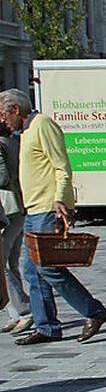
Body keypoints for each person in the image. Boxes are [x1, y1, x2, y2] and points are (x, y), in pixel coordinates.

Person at [0, 89, 106, 345]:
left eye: (3, 115)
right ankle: (47, 326)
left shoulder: (43, 125)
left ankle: (93, 311)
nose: (2, 121)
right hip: (34, 210)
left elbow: (62, 166)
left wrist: (60, 198)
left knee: (48, 267)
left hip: (49, 208)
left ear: (16, 109)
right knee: (32, 271)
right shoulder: (25, 132)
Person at [0, 109, 29, 335]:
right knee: (10, 263)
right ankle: (16, 311)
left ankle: (22, 311)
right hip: (18, 205)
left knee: (4, 263)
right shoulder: (12, 141)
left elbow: (2, 178)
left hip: (7, 208)